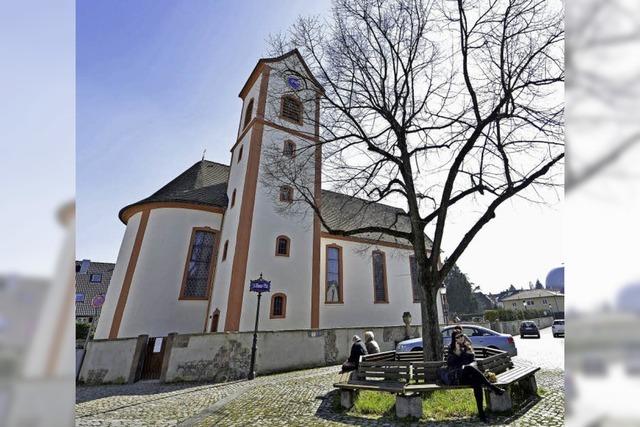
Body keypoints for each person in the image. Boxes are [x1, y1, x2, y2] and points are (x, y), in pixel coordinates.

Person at [443, 330, 505, 423]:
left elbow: (472, 360)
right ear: (454, 339)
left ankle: (481, 414)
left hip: (469, 375)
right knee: (468, 368)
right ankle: (491, 387)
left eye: (462, 336)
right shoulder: (451, 349)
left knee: (477, 383)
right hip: (457, 377)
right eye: (458, 337)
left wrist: (466, 352)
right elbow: (451, 364)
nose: (461, 338)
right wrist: (458, 352)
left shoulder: (467, 346)